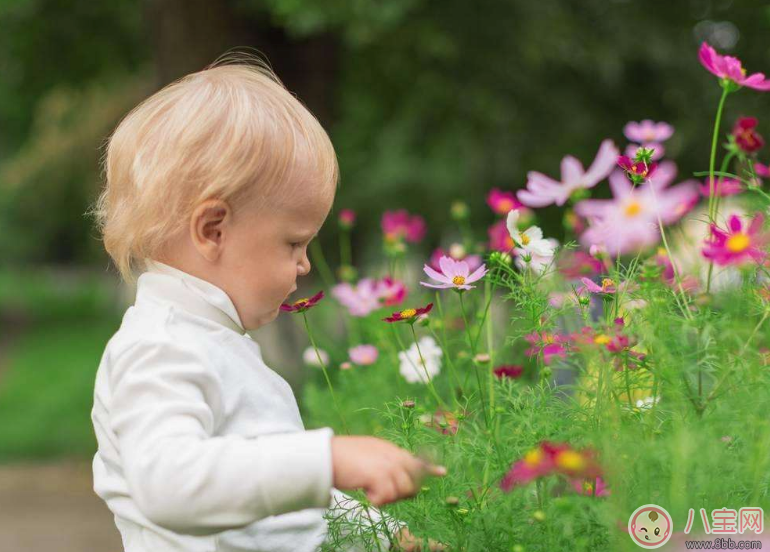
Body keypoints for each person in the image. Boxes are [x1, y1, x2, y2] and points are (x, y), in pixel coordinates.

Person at [88, 52, 446, 552]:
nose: (304, 266)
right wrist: (328, 460)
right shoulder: (159, 348)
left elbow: (285, 506)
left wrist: (389, 537)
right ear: (213, 230)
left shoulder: (213, 342)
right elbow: (168, 486)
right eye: (293, 244)